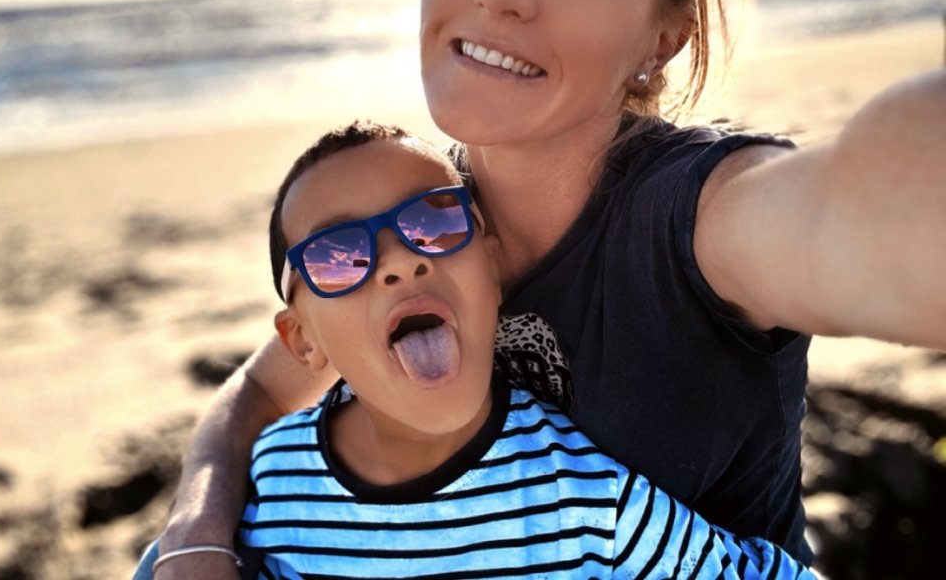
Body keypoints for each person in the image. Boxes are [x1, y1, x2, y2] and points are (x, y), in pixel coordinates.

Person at [152, 0, 946, 577]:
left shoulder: (699, 217)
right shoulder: (421, 222)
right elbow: (261, 390)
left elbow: (858, 213)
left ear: (661, 38)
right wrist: (193, 535)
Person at [142, 120, 815, 579]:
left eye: (433, 221)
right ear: (301, 340)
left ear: (494, 267)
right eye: (339, 255)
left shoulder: (589, 505)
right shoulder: (268, 483)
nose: (399, 261)